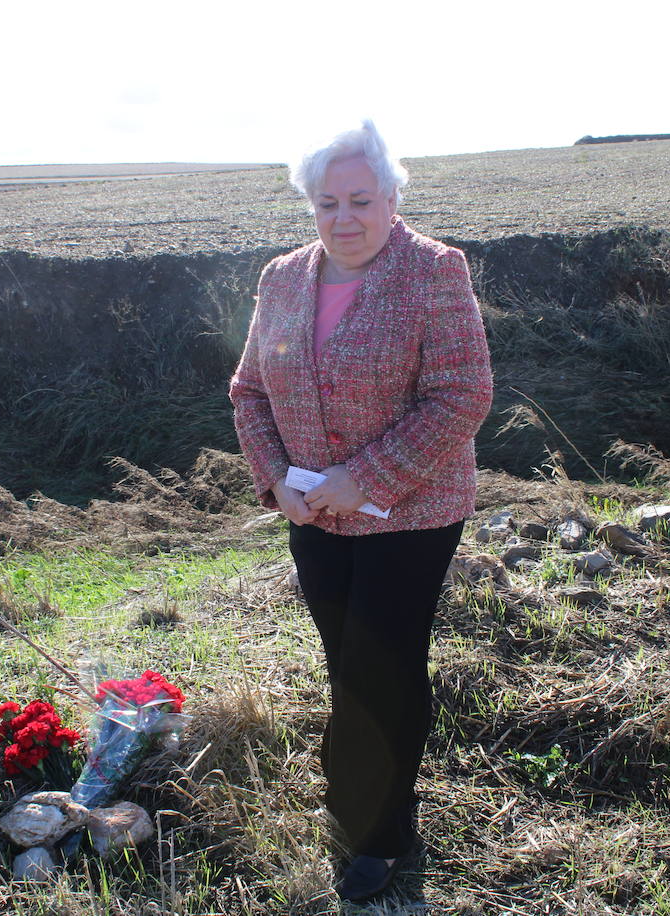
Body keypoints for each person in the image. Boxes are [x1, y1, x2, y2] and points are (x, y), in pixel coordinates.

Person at [228, 120, 493, 903]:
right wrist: (276, 481)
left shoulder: (434, 271)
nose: (344, 218)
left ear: (391, 197)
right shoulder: (282, 278)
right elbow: (248, 393)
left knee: (381, 662)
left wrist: (364, 475)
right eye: (326, 202)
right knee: (348, 660)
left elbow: (463, 396)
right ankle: (368, 794)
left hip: (412, 512)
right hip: (311, 515)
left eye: (360, 200)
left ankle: (376, 833)